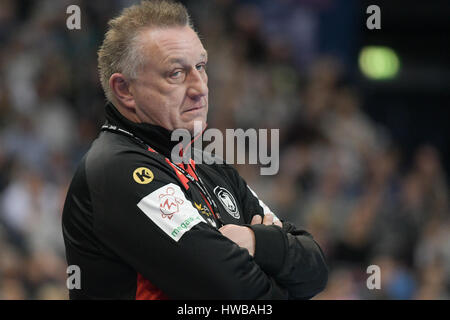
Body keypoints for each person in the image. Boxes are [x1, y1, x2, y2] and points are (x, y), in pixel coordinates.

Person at [62, 0, 328, 300]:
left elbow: (316, 270)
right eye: (176, 73)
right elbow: (235, 294)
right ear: (125, 90)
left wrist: (255, 241)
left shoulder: (210, 166)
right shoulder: (115, 169)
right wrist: (275, 261)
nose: (200, 87)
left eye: (201, 67)